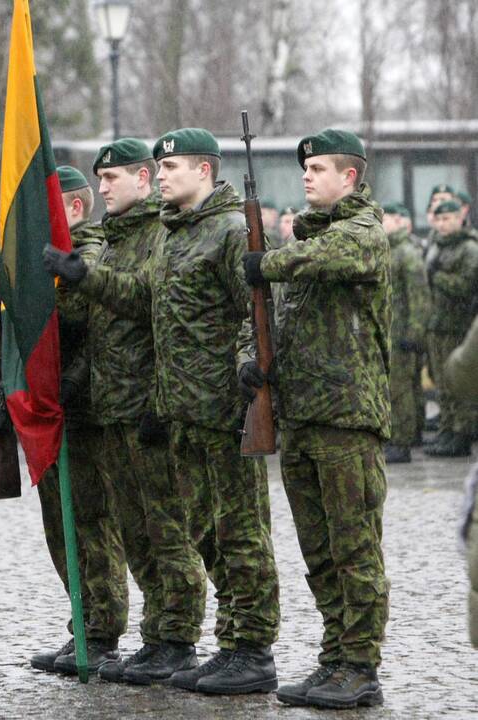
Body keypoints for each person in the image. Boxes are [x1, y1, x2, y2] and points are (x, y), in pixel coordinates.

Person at [45, 128, 280, 693]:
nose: (163, 175)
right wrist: (85, 277)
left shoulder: (226, 230)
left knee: (238, 532)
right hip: (180, 408)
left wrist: (250, 362)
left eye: (171, 167)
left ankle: (250, 646)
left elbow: (256, 309)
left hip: (222, 407)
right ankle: (208, 641)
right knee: (202, 531)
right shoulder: (176, 236)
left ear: (204, 170)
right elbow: (141, 302)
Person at [242, 129, 390, 709]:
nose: (307, 176)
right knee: (320, 551)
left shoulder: (363, 232)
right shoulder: (304, 242)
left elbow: (337, 256)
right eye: (305, 168)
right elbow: (270, 324)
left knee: (355, 548)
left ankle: (361, 665)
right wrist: (253, 364)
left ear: (349, 177)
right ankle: (334, 658)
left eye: (320, 168)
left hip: (348, 419)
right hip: (301, 418)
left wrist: (269, 261)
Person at [59, 142, 209, 686]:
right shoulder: (121, 239)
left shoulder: (156, 236)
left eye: (113, 178)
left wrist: (156, 400)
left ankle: (179, 637)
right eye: (98, 179)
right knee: (135, 529)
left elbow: (152, 316)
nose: (103, 188)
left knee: (168, 528)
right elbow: (102, 330)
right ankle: (155, 633)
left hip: (148, 403)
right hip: (112, 404)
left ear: (143, 180)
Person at [27, 164, 126, 675]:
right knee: (59, 525)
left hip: (83, 406)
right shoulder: (38, 259)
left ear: (74, 209)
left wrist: (76, 378)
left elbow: (94, 325)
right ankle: (81, 622)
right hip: (44, 408)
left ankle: (103, 629)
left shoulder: (92, 253)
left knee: (90, 519)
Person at [424, 200, 478, 457]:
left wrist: (439, 277)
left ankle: (462, 433)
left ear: (459, 219)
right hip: (437, 323)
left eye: (448, 219)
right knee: (442, 383)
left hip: (458, 326)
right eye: (440, 219)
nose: (443, 224)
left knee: (459, 383)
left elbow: (466, 286)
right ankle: (446, 429)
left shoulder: (469, 248)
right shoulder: (436, 246)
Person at [381, 203, 430, 463]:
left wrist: (414, 334)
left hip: (402, 333)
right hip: (393, 331)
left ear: (399, 220)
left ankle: (401, 442)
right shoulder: (392, 250)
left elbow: (419, 297)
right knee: (403, 388)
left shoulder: (405, 252)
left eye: (385, 218)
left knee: (400, 390)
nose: (382, 224)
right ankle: (408, 435)